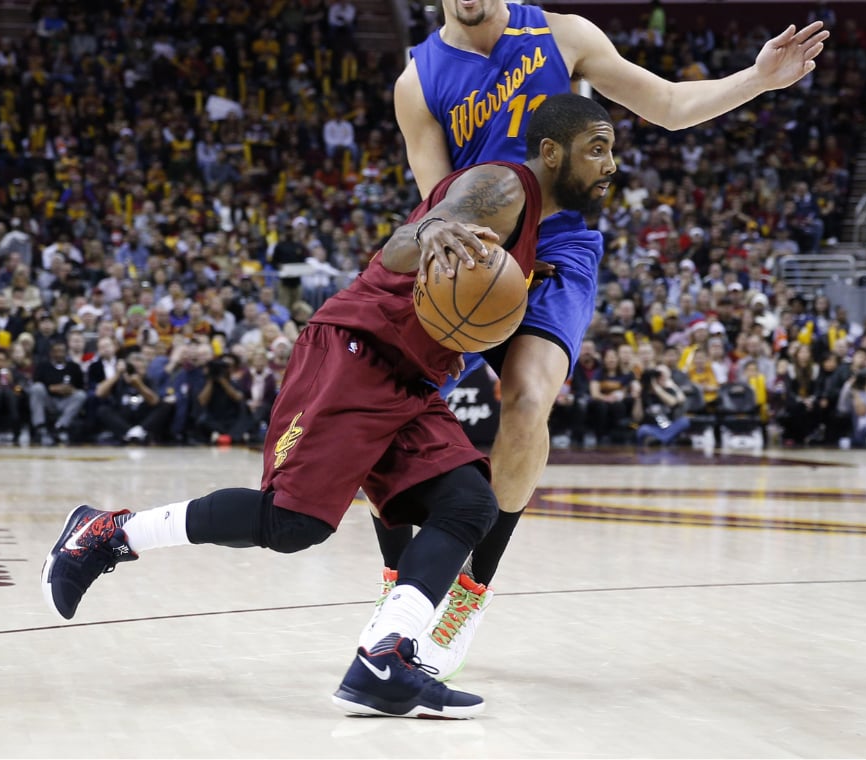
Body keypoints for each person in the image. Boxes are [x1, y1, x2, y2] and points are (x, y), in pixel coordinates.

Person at [41, 93, 617, 720]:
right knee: (293, 524)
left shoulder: (540, 231)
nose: (610, 164)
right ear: (552, 152)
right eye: (598, 148)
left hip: (411, 379)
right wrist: (429, 229)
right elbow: (399, 246)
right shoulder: (502, 187)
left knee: (469, 501)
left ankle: (385, 656)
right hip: (355, 352)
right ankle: (105, 533)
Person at [373, 0, 829, 679]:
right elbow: (438, 199)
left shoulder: (563, 34)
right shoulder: (418, 81)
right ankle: (397, 586)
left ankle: (469, 595)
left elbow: (669, 105)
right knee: (386, 405)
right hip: (477, 250)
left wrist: (756, 79)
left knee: (528, 402)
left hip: (559, 247)